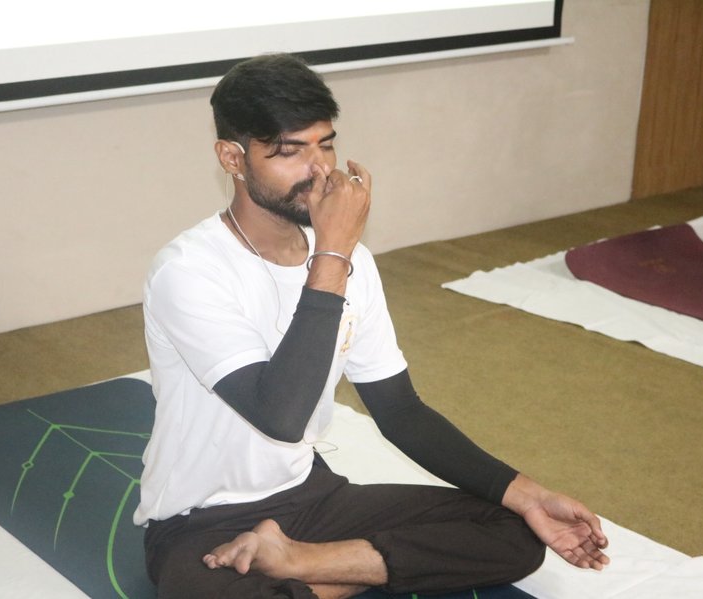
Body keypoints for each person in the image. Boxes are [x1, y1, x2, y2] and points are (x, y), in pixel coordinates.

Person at [135, 53, 609, 599]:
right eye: (289, 151)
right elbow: (280, 415)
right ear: (232, 158)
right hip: (202, 521)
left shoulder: (351, 260)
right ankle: (328, 570)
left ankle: (300, 563)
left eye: (325, 144)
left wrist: (527, 495)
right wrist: (332, 253)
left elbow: (401, 411)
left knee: (516, 533)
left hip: (311, 498)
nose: (318, 170)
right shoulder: (189, 271)